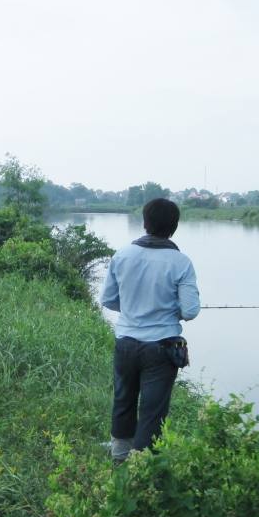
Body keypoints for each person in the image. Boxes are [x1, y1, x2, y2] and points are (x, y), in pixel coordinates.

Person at [99, 198, 200, 463]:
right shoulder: (181, 262)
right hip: (162, 348)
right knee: (152, 412)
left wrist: (134, 308)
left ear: (145, 223)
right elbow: (190, 311)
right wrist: (169, 309)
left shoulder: (122, 255)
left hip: (126, 343)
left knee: (123, 400)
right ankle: (141, 468)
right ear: (174, 227)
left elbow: (108, 300)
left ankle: (119, 457)